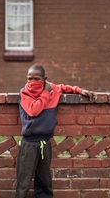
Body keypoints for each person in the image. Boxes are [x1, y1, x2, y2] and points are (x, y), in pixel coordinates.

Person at [15, 64, 95, 198]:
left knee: (44, 182)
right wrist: (46, 93)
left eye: (36, 78)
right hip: (29, 144)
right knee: (23, 182)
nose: (32, 82)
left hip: (45, 143)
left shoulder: (52, 89)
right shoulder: (24, 93)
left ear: (45, 79)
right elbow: (34, 111)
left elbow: (64, 87)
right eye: (29, 78)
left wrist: (80, 90)